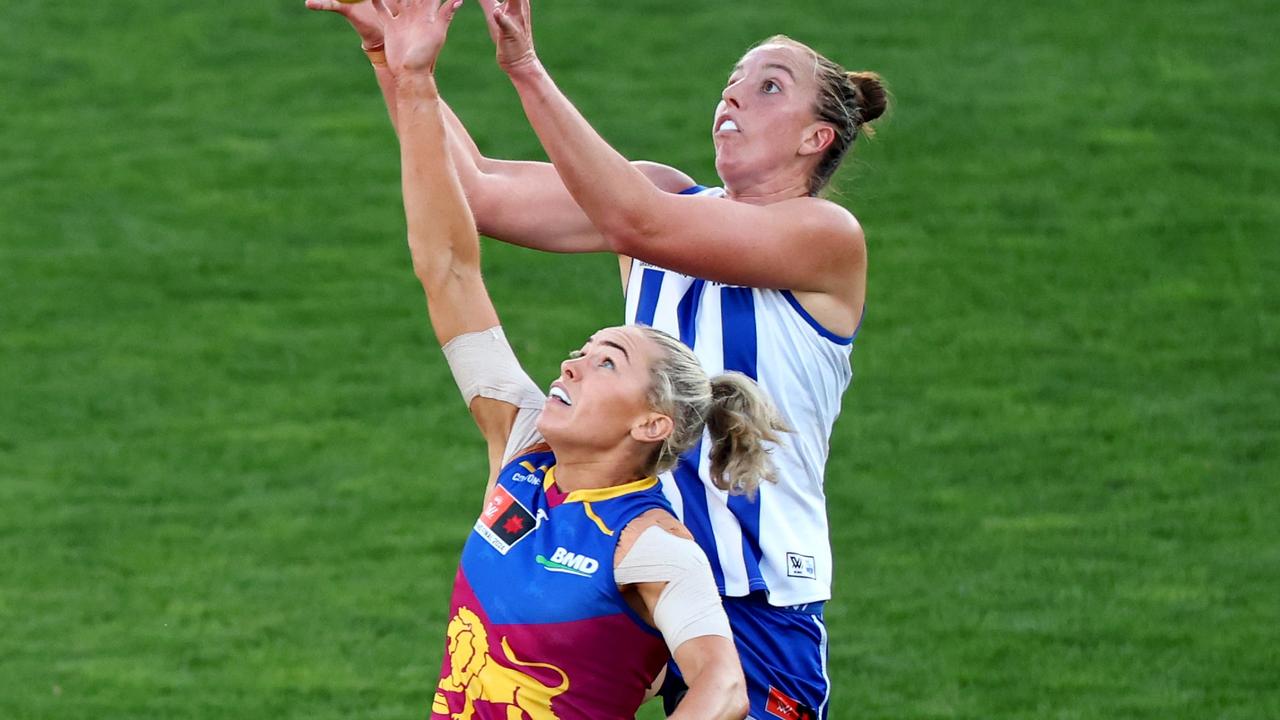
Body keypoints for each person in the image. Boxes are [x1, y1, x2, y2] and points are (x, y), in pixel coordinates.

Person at [307, 1, 887, 716]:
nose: (732, 93)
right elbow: (474, 192)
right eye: (733, 79)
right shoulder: (663, 195)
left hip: (752, 597)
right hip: (624, 571)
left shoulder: (825, 237)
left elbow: (634, 222)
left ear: (816, 138)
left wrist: (524, 68)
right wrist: (389, 54)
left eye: (768, 86)